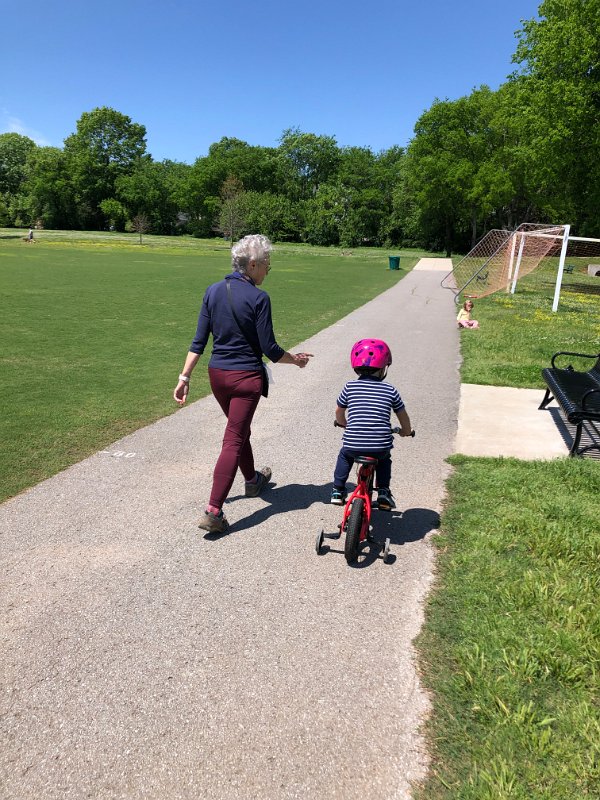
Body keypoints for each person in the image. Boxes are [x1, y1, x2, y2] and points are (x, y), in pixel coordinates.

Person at [173, 234, 313, 534]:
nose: (267, 271)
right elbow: (270, 349)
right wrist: (296, 360)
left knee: (239, 430)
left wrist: (184, 377)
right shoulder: (260, 298)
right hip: (246, 378)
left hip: (218, 376)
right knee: (234, 438)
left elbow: (198, 342)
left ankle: (252, 481)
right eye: (266, 265)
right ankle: (213, 511)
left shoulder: (212, 291)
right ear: (252, 265)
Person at [331, 339, 412, 511]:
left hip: (353, 444)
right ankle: (383, 491)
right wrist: (406, 430)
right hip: (379, 446)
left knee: (345, 456)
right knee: (384, 459)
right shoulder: (390, 390)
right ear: (384, 367)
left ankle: (337, 490)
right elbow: (403, 416)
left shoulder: (349, 387)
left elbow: (339, 411)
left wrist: (343, 423)